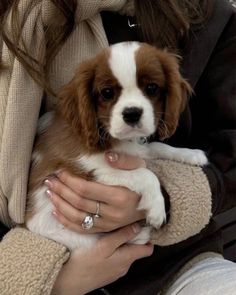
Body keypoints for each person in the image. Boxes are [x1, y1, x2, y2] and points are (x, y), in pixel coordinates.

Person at [0, 0, 235, 294]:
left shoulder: (205, 13)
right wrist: (52, 282)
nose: (132, 106)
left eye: (151, 90)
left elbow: (223, 148)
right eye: (109, 94)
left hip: (177, 264)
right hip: (44, 261)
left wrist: (171, 194)